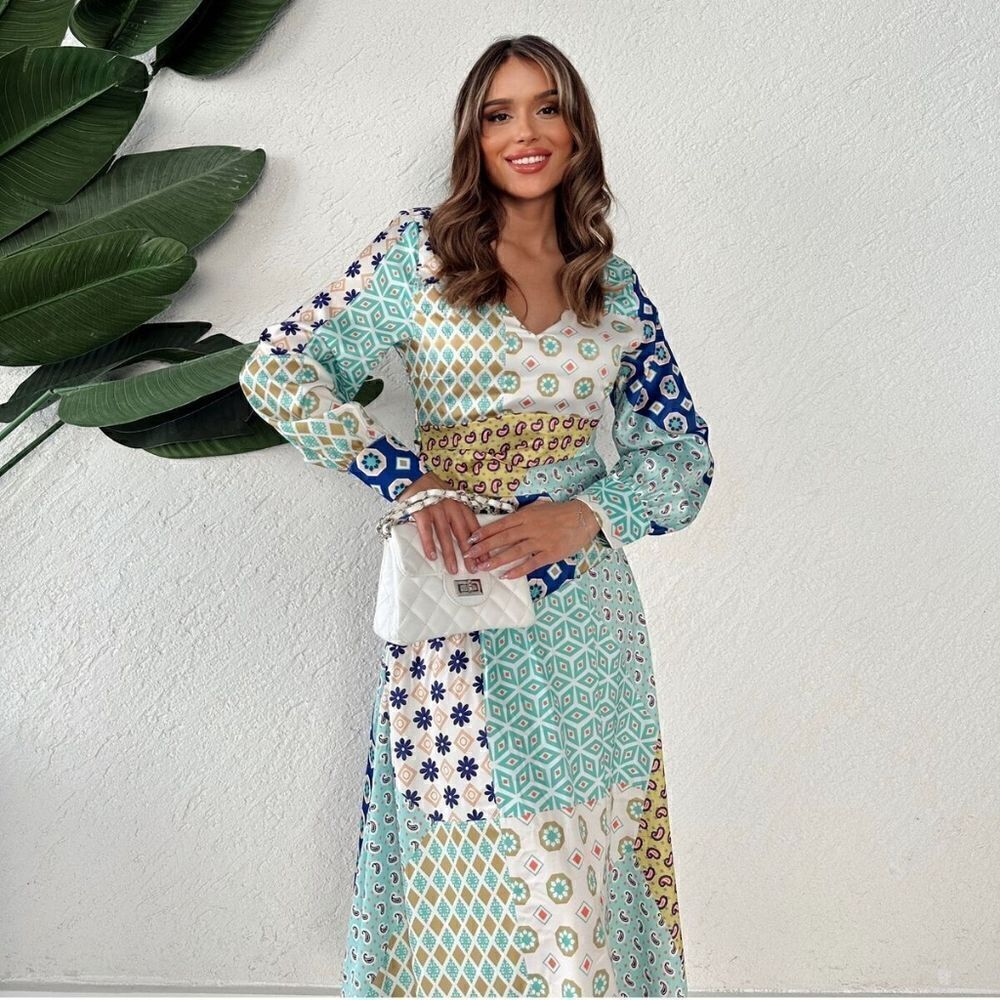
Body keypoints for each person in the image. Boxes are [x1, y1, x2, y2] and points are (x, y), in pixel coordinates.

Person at [239, 33, 714, 998]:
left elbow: (684, 456)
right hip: (452, 594)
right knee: (458, 839)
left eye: (547, 108)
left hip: (586, 615)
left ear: (576, 129)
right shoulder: (417, 254)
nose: (524, 133)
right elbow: (277, 369)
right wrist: (407, 478)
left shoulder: (613, 286)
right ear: (474, 135)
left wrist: (589, 513)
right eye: (500, 114)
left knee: (588, 843)